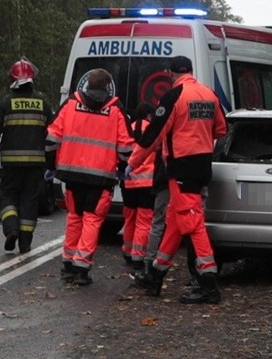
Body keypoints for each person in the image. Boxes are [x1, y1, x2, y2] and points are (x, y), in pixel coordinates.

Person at [130, 55, 227, 304]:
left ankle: (208, 283)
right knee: (175, 221)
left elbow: (153, 134)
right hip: (202, 165)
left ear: (171, 74)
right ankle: (156, 272)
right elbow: (221, 128)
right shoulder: (209, 94)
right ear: (191, 71)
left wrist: (133, 163)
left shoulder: (174, 95)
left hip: (181, 167)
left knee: (192, 223)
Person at [45, 68, 133, 286]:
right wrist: (122, 168)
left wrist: (51, 165)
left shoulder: (71, 104)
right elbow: (125, 147)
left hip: (72, 174)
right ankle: (82, 267)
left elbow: (51, 138)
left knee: (74, 217)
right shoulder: (115, 109)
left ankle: (68, 264)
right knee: (92, 220)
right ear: (106, 87)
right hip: (101, 177)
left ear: (87, 85)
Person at [0, 58, 53, 254]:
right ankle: (25, 243)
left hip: (12, 164)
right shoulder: (43, 102)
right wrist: (51, 161)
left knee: (7, 196)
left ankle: (11, 229)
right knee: (29, 201)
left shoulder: (6, 102)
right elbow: (53, 134)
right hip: (36, 164)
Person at [121, 103, 157, 276]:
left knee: (129, 218)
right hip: (147, 183)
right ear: (149, 116)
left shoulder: (129, 128)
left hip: (129, 182)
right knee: (144, 222)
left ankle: (127, 251)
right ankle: (138, 257)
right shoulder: (153, 129)